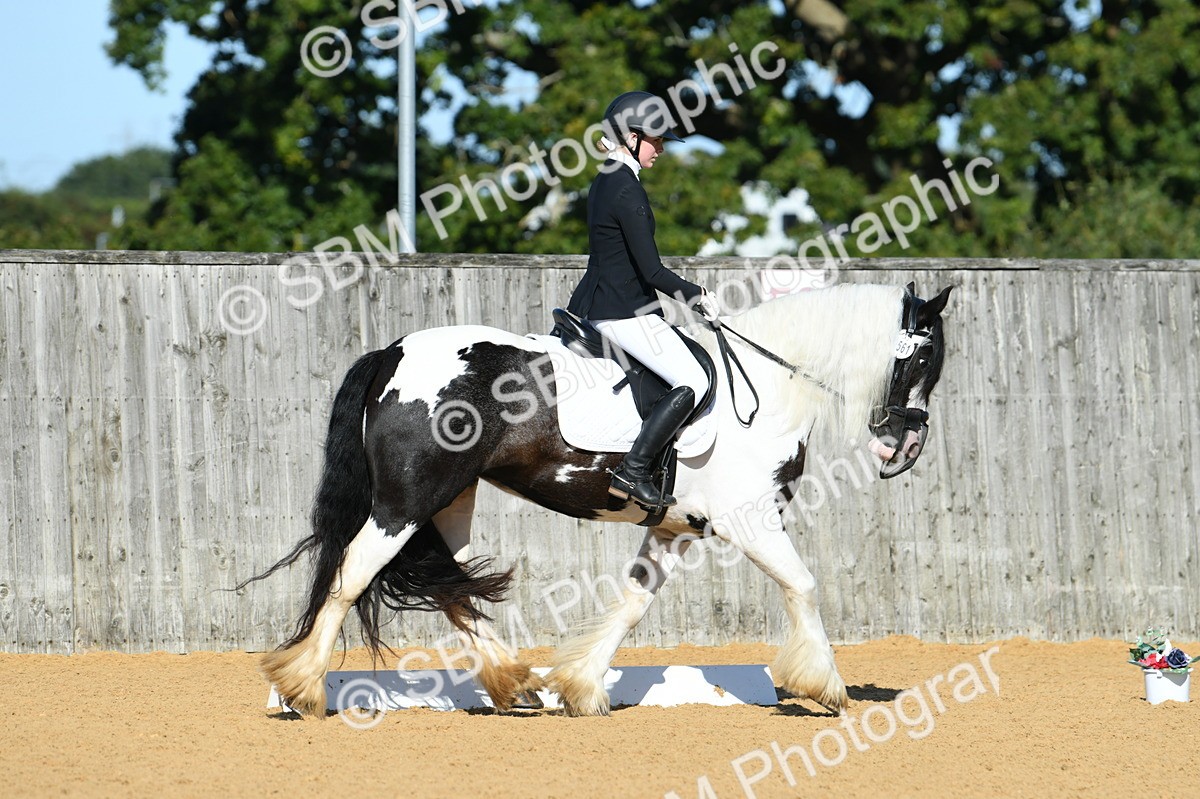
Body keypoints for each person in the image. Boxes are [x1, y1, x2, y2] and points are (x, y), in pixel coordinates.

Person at [566, 90, 720, 508]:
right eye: (657, 139)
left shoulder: (606, 178)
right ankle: (633, 471)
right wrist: (698, 296)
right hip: (622, 311)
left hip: (599, 304)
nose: (663, 148)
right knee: (695, 380)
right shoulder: (626, 190)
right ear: (631, 136)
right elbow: (652, 272)